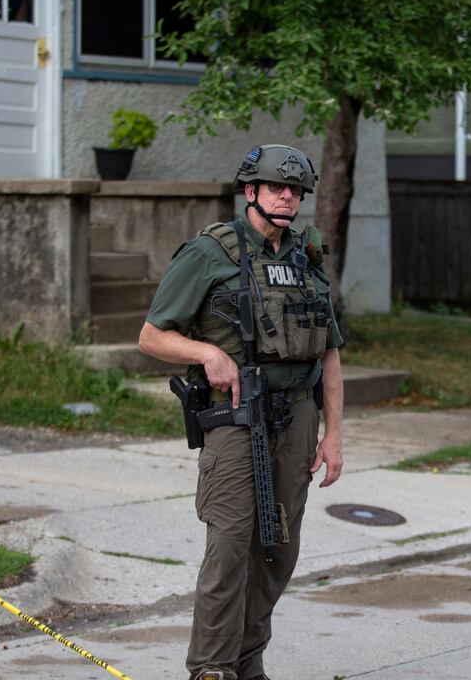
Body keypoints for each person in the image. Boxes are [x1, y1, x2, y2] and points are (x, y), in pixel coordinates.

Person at [138, 144, 344, 680]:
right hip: (234, 417)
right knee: (231, 546)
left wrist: (335, 433)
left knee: (278, 548)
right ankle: (211, 668)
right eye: (277, 187)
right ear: (250, 191)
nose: (287, 197)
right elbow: (152, 336)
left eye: (295, 190)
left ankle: (248, 663)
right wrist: (207, 353)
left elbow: (330, 352)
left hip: (298, 418)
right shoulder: (212, 253)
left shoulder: (306, 258)